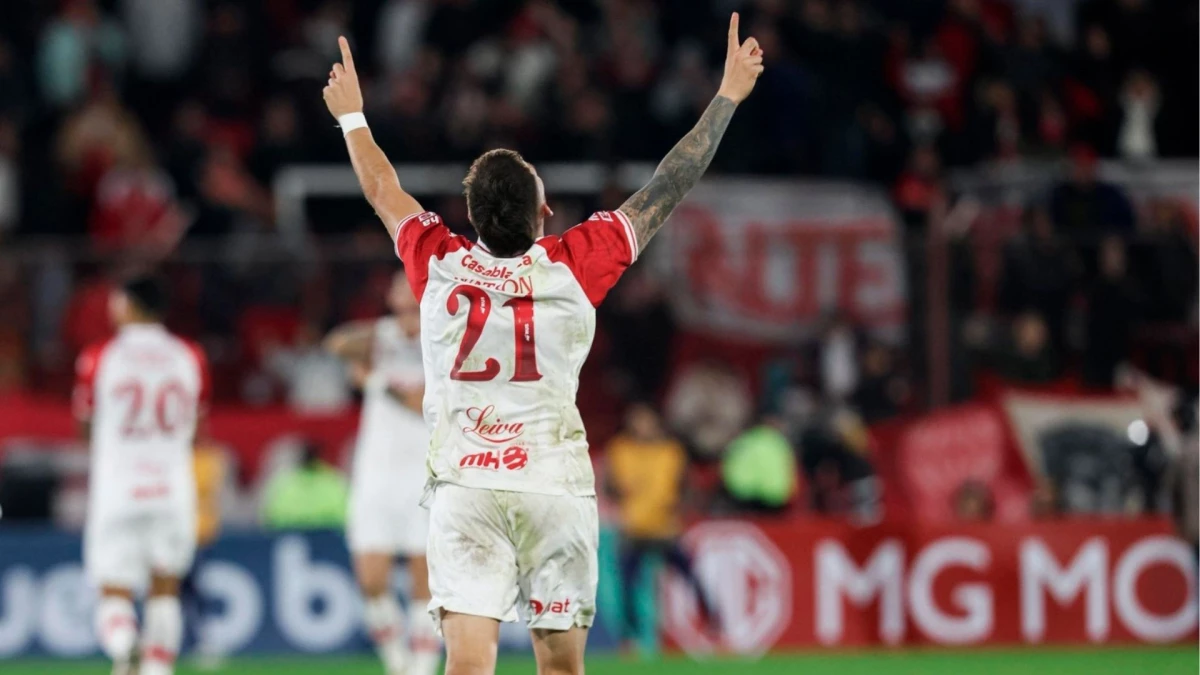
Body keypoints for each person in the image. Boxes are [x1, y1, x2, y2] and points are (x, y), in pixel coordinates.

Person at [322, 12, 763, 675]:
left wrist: (353, 117)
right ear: (544, 214)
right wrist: (726, 96)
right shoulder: (576, 263)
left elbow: (383, 189)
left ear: (471, 218)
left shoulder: (436, 261)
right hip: (553, 486)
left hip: (466, 486)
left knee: (467, 663)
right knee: (559, 666)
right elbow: (667, 187)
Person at [74, 276, 210, 675]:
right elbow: (198, 426)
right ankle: (155, 667)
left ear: (128, 307)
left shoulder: (100, 356)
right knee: (165, 590)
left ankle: (125, 643)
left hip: (119, 487)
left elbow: (84, 426)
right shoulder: (190, 355)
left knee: (114, 589)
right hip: (171, 487)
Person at [324, 272, 441, 675]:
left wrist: (374, 379)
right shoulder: (381, 337)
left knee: (422, 582)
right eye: (398, 286)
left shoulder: (443, 336)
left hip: (423, 474)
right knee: (370, 580)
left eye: (411, 285)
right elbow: (336, 344)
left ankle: (423, 666)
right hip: (376, 474)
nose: (403, 292)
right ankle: (396, 661)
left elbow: (416, 402)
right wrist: (380, 335)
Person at [606, 403, 717, 647]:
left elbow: (687, 485)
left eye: (646, 420)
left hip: (665, 528)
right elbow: (609, 486)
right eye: (637, 420)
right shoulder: (620, 449)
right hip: (633, 528)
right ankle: (629, 639)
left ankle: (713, 624)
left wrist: (681, 506)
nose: (642, 426)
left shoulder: (671, 451)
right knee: (627, 587)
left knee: (691, 575)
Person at [260, 441, 349, 530]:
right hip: (330, 539)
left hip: (292, 537)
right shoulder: (335, 482)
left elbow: (270, 518)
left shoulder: (283, 483)